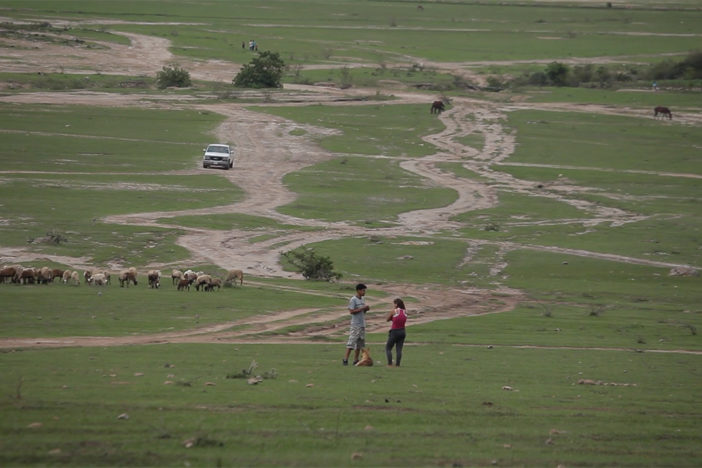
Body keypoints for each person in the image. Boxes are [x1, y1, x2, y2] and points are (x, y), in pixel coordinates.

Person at [343, 283, 370, 366]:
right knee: (351, 342)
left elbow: (362, 311)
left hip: (362, 324)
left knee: (359, 344)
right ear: (358, 290)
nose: (364, 292)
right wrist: (362, 308)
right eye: (363, 290)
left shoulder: (362, 299)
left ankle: (356, 360)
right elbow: (351, 311)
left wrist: (366, 309)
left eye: (364, 290)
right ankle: (345, 359)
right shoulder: (353, 300)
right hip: (355, 325)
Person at [385, 298, 407, 367]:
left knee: (388, 348)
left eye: (394, 304)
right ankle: (397, 364)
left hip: (395, 331)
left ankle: (390, 364)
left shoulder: (394, 311)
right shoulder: (404, 311)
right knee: (399, 349)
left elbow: (387, 319)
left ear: (396, 304)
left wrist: (392, 318)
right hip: (403, 331)